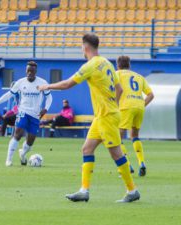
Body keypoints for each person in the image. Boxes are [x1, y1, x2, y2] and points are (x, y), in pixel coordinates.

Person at [38, 33, 139, 203]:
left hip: (107, 116)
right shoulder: (107, 63)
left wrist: (47, 86)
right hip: (102, 116)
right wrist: (111, 103)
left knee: (116, 154)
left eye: (81, 47)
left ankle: (132, 190)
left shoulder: (90, 66)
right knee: (87, 149)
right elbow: (120, 90)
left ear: (85, 47)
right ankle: (84, 190)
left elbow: (68, 84)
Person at [0, 61, 53, 166]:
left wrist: (45, 109)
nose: (30, 73)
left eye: (32, 71)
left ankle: (22, 154)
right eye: (28, 70)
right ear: (25, 71)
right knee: (17, 134)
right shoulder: (20, 83)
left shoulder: (42, 83)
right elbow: (8, 94)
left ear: (35, 71)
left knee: (30, 142)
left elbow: (49, 97)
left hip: (35, 115)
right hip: (23, 112)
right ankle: (8, 160)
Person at [116, 56, 154, 177]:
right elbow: (151, 95)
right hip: (139, 106)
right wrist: (142, 105)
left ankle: (127, 166)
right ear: (129, 65)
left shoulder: (117, 74)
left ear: (118, 65)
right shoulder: (139, 76)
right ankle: (142, 163)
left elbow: (115, 90)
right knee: (135, 135)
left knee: (118, 137)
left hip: (125, 106)